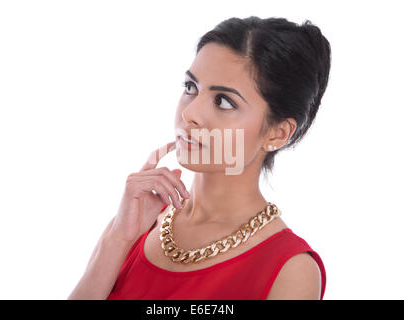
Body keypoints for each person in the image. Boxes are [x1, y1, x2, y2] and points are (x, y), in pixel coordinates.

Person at [68, 16, 331, 300]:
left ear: (278, 134)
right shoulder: (137, 222)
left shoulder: (291, 270)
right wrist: (119, 237)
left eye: (224, 101)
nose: (189, 113)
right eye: (190, 87)